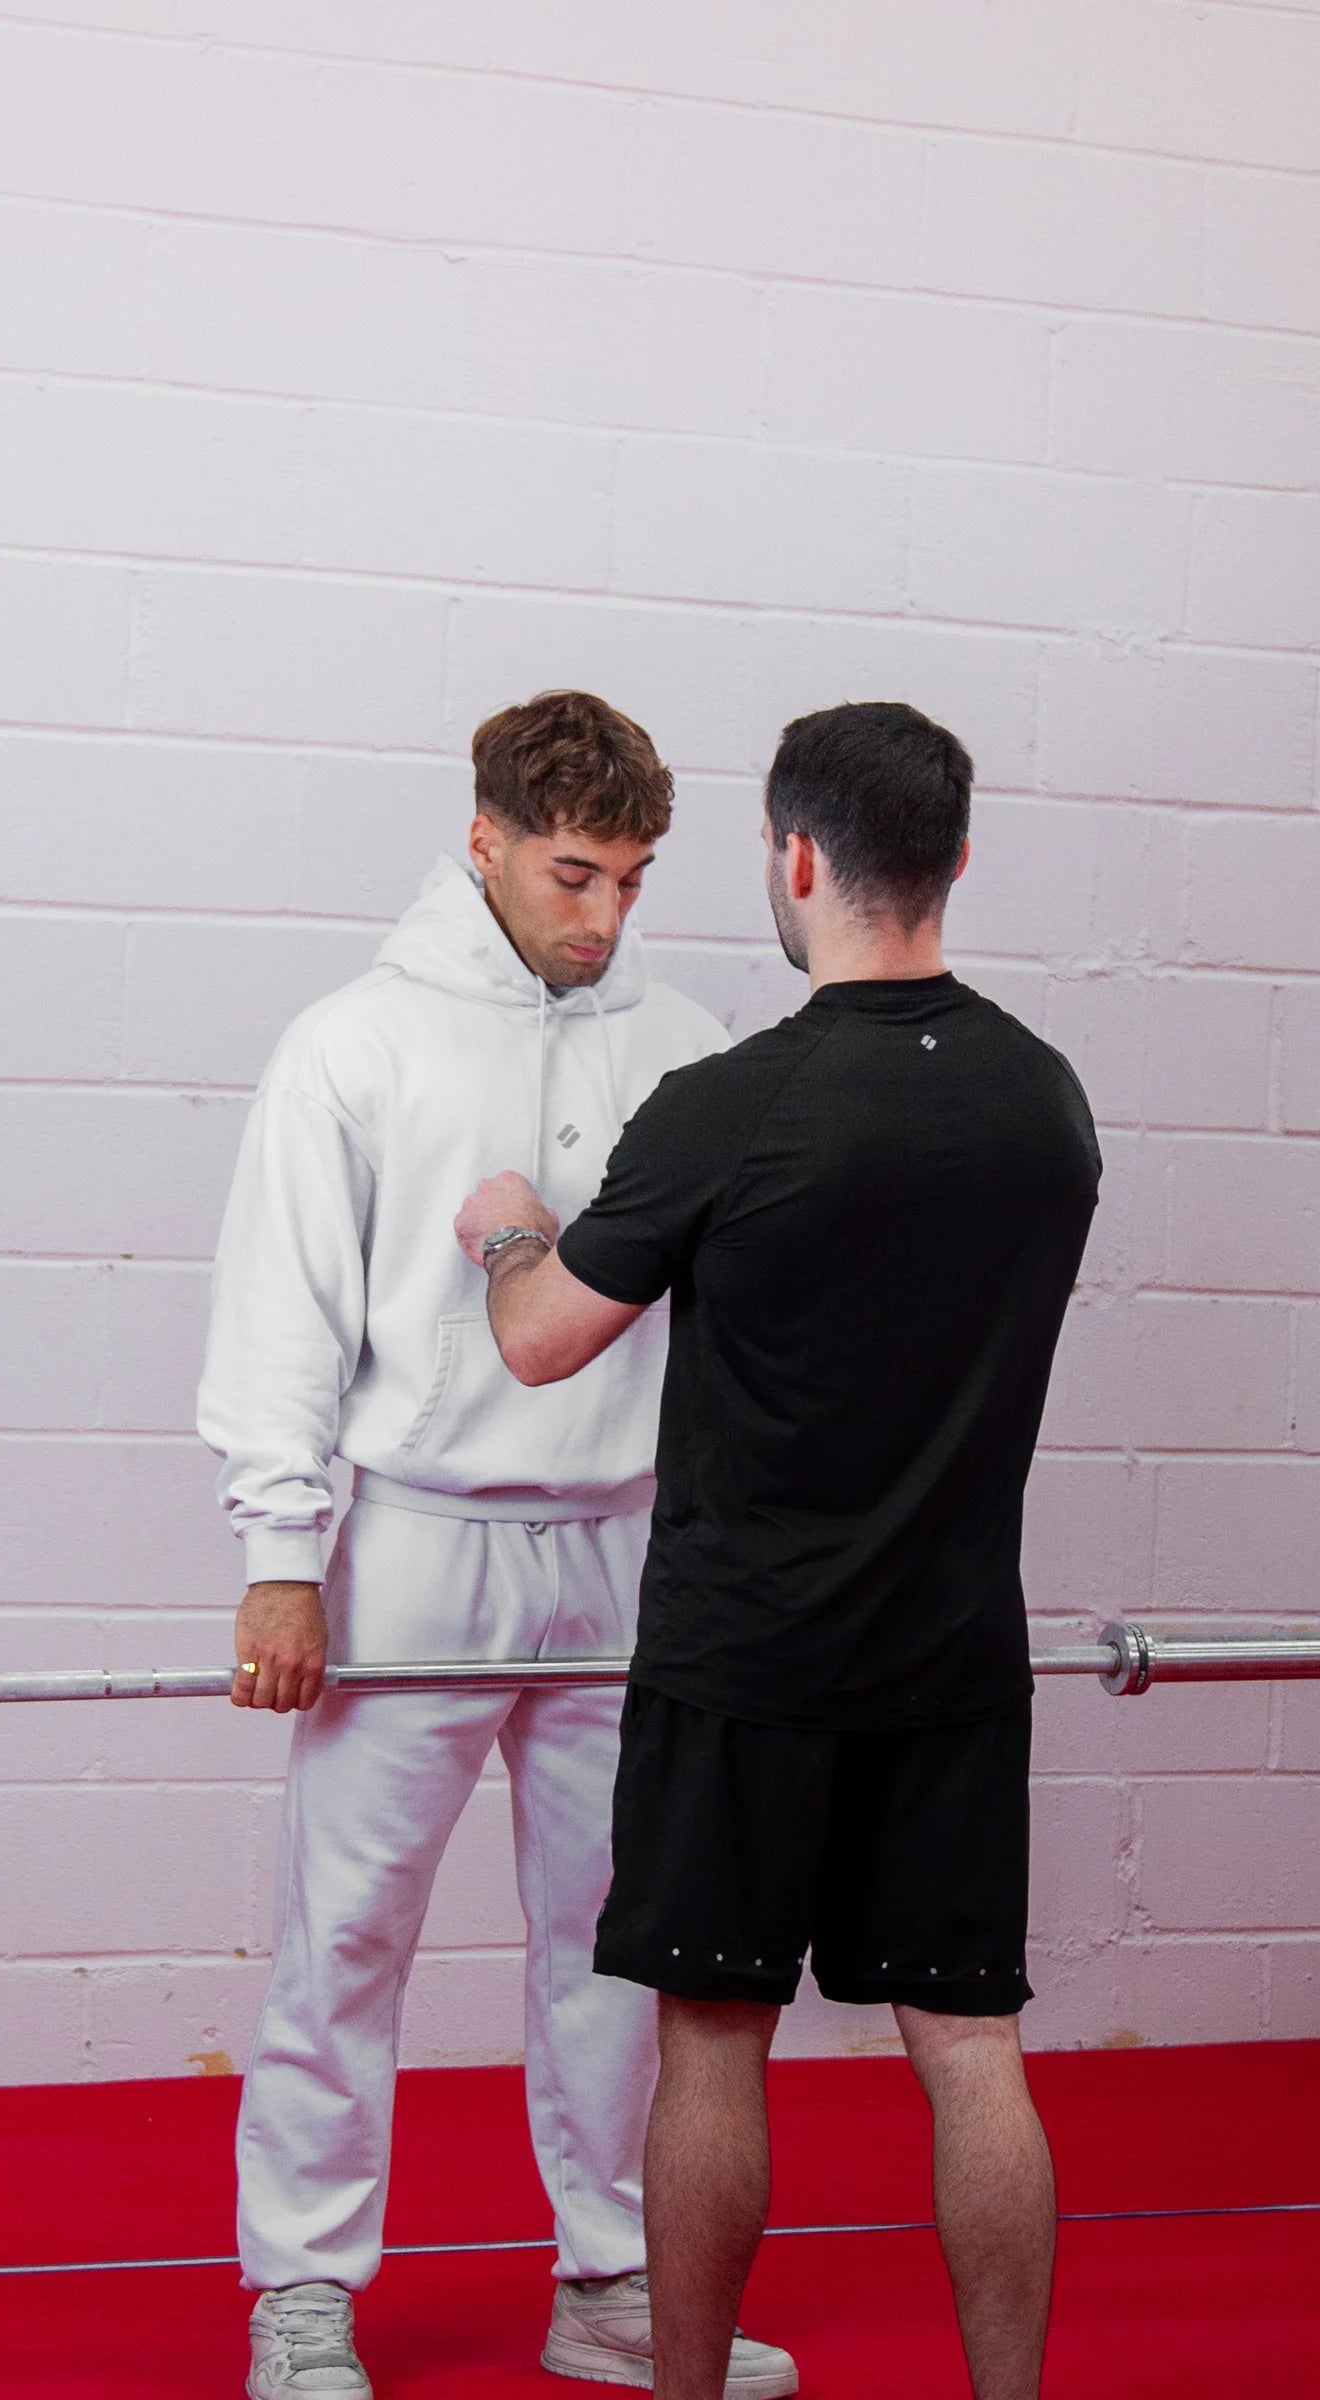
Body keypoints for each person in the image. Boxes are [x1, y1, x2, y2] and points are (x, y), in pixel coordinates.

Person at [455, 701, 1100, 2400]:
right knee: (971, 2051)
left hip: (745, 1658)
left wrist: (507, 1218)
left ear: (797, 859)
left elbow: (539, 1338)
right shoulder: (1047, 1106)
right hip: (952, 1655)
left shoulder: (727, 1104)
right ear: (952, 858)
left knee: (713, 2046)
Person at [199, 690, 800, 2400]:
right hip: (418, 1547)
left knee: (623, 1937)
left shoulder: (690, 1047)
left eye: (631, 877)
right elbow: (283, 1317)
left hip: (626, 1551)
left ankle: (611, 2279)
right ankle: (302, 2295)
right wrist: (280, 1557)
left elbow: (740, 1328)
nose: (601, 913)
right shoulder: (355, 1045)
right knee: (350, 1935)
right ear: (483, 844)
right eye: (571, 872)